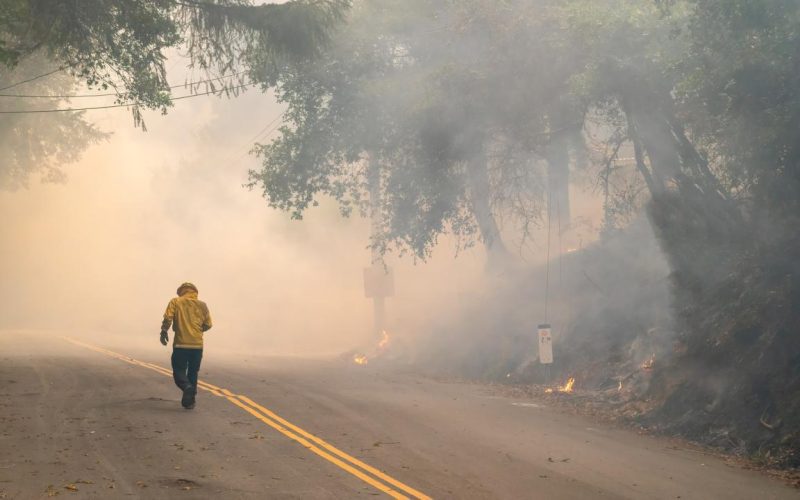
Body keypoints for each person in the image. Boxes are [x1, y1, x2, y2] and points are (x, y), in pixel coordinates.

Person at [159, 282, 213, 409]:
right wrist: (197, 331)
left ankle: (186, 387)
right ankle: (190, 402)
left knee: (179, 371)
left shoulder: (176, 302)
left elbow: (168, 318)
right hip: (197, 346)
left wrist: (164, 331)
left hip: (181, 344)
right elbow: (208, 324)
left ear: (181, 291)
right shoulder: (203, 305)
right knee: (193, 372)